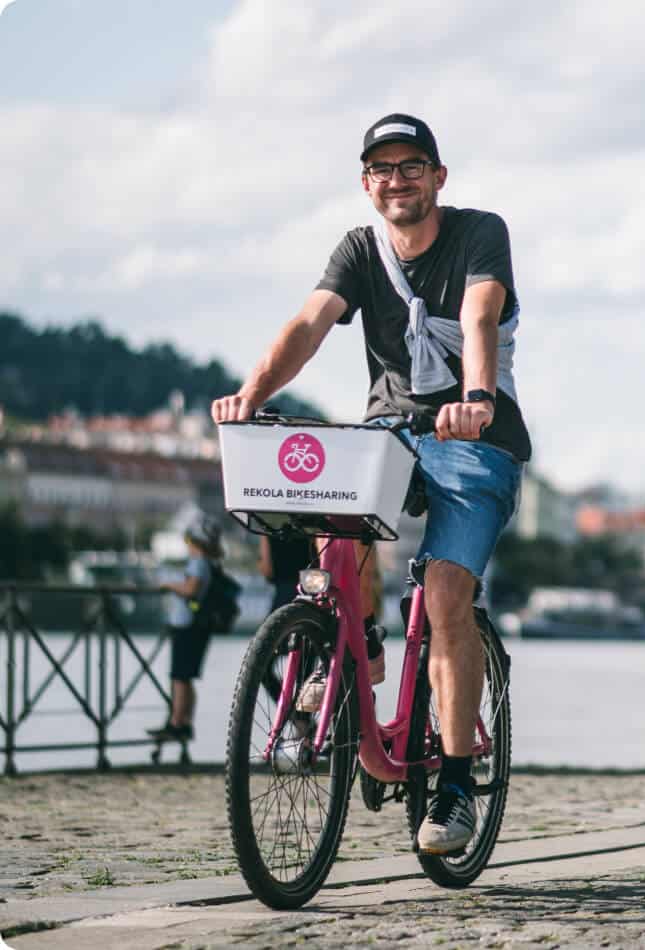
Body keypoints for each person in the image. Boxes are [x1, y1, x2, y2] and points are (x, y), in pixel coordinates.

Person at [211, 113, 529, 854]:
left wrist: (476, 398)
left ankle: (453, 787)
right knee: (332, 526)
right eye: (382, 169)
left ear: (438, 177)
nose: (397, 180)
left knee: (448, 588)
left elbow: (479, 316)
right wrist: (251, 394)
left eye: (411, 165)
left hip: (474, 433)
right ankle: (362, 647)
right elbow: (309, 324)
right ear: (366, 184)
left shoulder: (480, 232)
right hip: (389, 429)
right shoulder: (359, 249)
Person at [150, 515, 222, 743]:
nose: (187, 545)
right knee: (186, 676)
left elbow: (191, 589)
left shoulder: (198, 562)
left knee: (179, 676)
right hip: (197, 625)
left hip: (187, 625)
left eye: (189, 540)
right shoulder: (209, 562)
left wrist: (168, 584)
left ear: (196, 542)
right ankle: (185, 722)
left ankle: (176, 723)